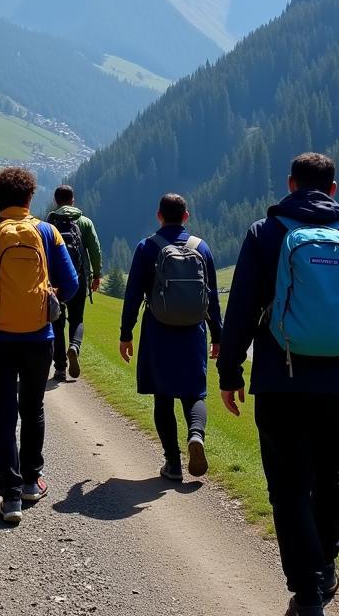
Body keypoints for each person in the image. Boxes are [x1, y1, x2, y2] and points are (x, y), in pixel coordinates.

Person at [217, 153, 339, 616]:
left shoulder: (264, 234)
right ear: (333, 189)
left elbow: (240, 309)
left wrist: (230, 371)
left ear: (290, 184)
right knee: (330, 473)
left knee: (288, 485)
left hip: (280, 380)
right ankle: (328, 565)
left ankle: (306, 590)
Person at [0, 166, 78, 525]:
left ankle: (9, 496)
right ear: (29, 197)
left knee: (3, 413)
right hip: (40, 337)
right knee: (33, 407)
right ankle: (31, 481)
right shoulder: (47, 232)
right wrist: (47, 296)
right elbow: (70, 284)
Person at [119, 193, 222, 482]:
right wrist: (218, 336)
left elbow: (133, 295)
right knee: (195, 393)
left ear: (159, 215)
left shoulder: (147, 247)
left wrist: (126, 333)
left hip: (158, 331)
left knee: (162, 397)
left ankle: (173, 463)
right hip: (194, 332)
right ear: (186, 216)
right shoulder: (201, 248)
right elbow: (211, 299)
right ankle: (196, 435)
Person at [47, 184, 103, 381]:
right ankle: (75, 347)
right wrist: (97, 274)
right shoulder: (85, 222)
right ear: (73, 200)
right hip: (77, 278)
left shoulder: (50, 221)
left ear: (56, 201)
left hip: (54, 281)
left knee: (57, 321)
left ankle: (60, 368)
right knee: (77, 318)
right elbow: (95, 249)